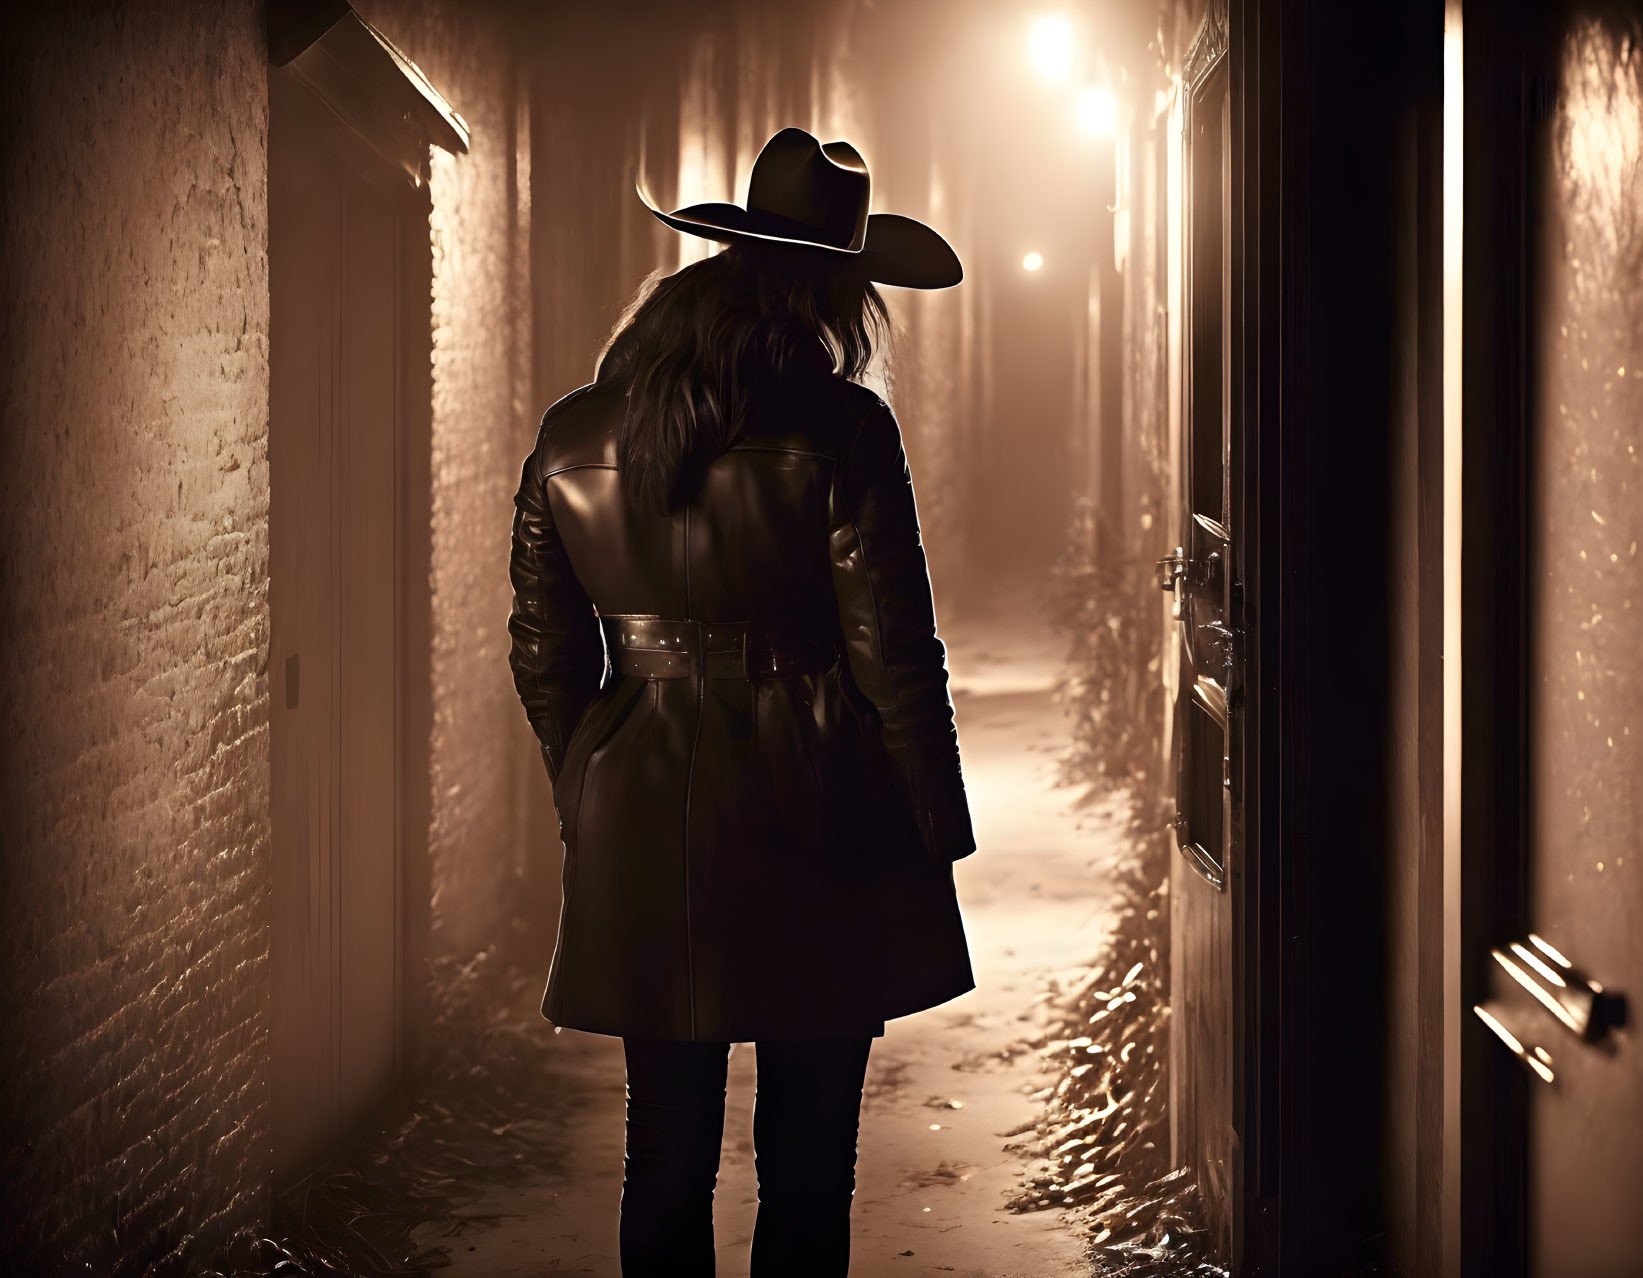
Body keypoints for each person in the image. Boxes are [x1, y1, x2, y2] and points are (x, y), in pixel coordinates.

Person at [507, 126, 976, 1278]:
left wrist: (588, 778)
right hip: (815, 808)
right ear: (824, 287)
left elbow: (541, 644)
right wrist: (933, 820)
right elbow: (892, 649)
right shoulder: (841, 431)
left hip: (640, 818)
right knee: (807, 1156)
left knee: (662, 1145)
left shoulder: (576, 432)